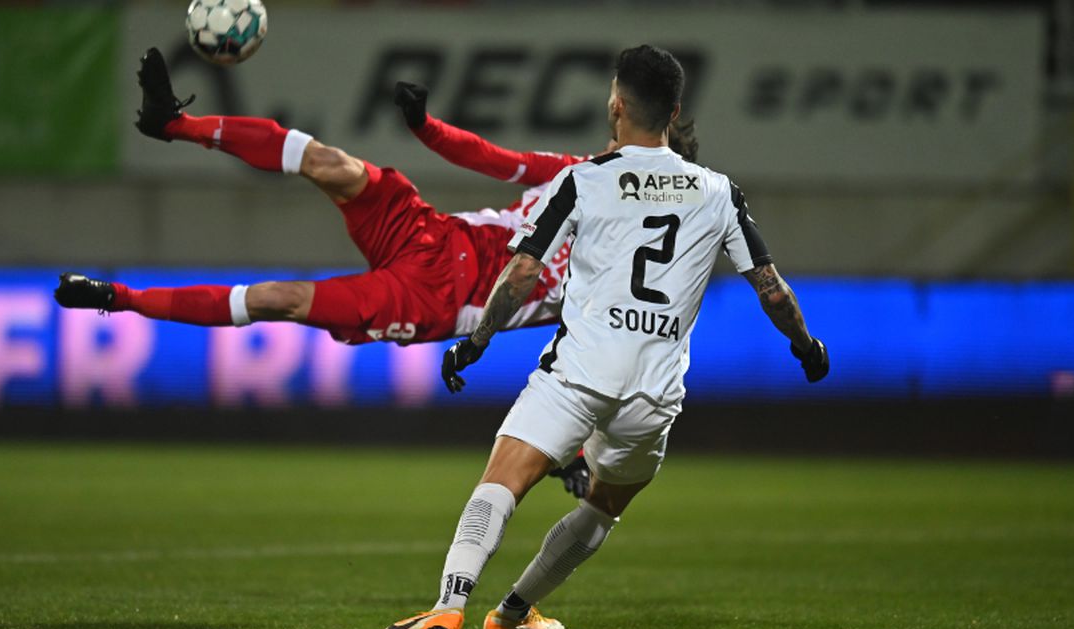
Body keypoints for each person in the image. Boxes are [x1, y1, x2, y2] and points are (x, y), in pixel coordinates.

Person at [53, 49, 695, 494]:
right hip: (434, 233)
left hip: (432, 299)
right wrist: (424, 126)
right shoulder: (576, 170)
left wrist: (574, 451)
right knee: (331, 162)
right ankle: (175, 123)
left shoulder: (624, 261)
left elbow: (595, 352)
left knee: (283, 299)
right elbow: (494, 158)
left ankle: (122, 296)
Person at [373, 45, 828, 629]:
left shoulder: (584, 179)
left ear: (616, 104)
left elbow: (522, 277)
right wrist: (805, 344)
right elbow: (772, 291)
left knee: (503, 480)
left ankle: (448, 607)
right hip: (654, 397)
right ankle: (512, 612)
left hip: (579, 374)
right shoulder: (718, 191)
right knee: (605, 506)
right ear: (675, 110)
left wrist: (476, 342)